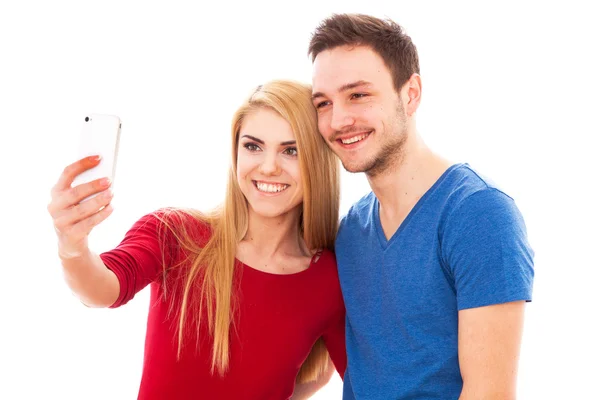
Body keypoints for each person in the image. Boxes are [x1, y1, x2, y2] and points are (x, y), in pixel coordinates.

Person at [47, 80, 346, 400]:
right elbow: (104, 289)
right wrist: (72, 247)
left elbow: (344, 380)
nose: (268, 167)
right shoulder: (174, 234)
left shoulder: (330, 278)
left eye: (291, 150)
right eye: (253, 146)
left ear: (319, 161)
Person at [308, 14, 535, 400]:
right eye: (323, 103)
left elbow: (489, 393)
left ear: (410, 94)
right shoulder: (350, 231)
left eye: (358, 95)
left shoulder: (479, 215)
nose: (339, 119)